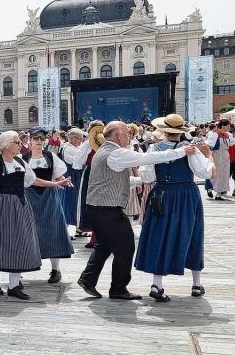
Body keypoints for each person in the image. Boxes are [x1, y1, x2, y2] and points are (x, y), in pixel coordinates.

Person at [76, 120, 197, 300]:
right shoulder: (116, 153)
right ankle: (118, 289)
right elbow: (147, 158)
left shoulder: (104, 151)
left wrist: (140, 181)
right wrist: (181, 151)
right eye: (127, 133)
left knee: (105, 244)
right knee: (126, 246)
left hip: (98, 208)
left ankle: (88, 279)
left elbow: (111, 181)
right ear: (117, 135)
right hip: (108, 209)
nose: (129, 136)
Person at [0, 131, 69, 300]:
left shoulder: (19, 161)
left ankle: (14, 286)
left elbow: (32, 180)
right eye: (17, 142)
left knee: (20, 243)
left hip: (20, 206)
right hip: (0, 207)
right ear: (8, 145)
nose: (20, 145)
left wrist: (54, 183)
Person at [135, 115, 214, 302]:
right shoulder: (191, 149)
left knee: (159, 236)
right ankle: (196, 284)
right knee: (193, 235)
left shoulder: (153, 148)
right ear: (182, 131)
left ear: (164, 130)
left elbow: (146, 176)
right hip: (186, 194)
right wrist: (209, 157)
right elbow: (204, 172)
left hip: (161, 193)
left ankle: (157, 284)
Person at [23, 129, 74, 284]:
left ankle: (55, 270)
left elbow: (58, 175)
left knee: (53, 230)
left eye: (42, 138)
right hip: (29, 197)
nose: (39, 141)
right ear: (30, 140)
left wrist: (64, 180)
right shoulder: (22, 158)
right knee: (27, 231)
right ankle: (21, 267)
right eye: (36, 138)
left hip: (49, 197)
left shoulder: (51, 157)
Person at [59, 128, 85, 232]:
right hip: (71, 176)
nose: (81, 140)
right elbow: (76, 163)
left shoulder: (77, 148)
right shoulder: (68, 148)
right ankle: (65, 229)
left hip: (77, 177)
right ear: (73, 138)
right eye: (79, 138)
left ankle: (78, 227)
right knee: (69, 202)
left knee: (77, 202)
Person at [206, 119, 232, 200]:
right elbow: (209, 144)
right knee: (216, 174)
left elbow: (232, 143)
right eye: (227, 125)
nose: (229, 127)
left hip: (225, 155)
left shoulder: (227, 135)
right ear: (223, 126)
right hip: (216, 155)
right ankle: (212, 190)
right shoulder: (215, 134)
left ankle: (219, 193)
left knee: (224, 174)